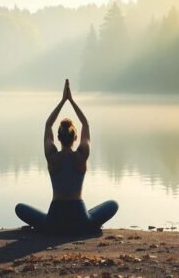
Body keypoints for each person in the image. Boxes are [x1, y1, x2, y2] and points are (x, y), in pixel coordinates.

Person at [15, 79, 118, 234]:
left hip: (54, 220)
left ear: (58, 137)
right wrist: (71, 100)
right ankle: (86, 223)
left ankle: (50, 226)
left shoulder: (51, 156)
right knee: (113, 204)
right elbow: (86, 124)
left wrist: (62, 100)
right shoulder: (82, 156)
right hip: (81, 220)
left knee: (20, 208)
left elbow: (48, 125)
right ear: (75, 138)